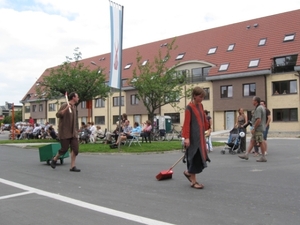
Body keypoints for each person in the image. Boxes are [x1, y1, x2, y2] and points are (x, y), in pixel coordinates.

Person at [182, 86, 211, 189]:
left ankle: (189, 173)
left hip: (200, 138)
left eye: (203, 97)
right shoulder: (189, 108)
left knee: (198, 158)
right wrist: (186, 138)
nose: (201, 99)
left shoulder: (200, 106)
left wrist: (207, 125)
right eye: (200, 96)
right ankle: (193, 182)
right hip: (193, 138)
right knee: (194, 157)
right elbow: (186, 123)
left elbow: (203, 118)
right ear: (194, 96)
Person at [51, 92, 81, 172]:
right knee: (64, 149)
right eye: (77, 97)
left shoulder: (74, 107)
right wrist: (66, 108)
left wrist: (76, 129)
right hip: (65, 131)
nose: (78, 98)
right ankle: (54, 159)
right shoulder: (65, 105)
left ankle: (72, 166)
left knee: (75, 149)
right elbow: (58, 115)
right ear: (73, 98)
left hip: (73, 132)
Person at [238, 96, 267, 162]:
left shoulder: (259, 108)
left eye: (253, 100)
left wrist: (254, 128)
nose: (252, 102)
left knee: (260, 142)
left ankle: (263, 157)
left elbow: (258, 119)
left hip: (258, 128)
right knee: (252, 141)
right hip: (258, 128)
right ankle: (246, 154)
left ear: (256, 101)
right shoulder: (260, 108)